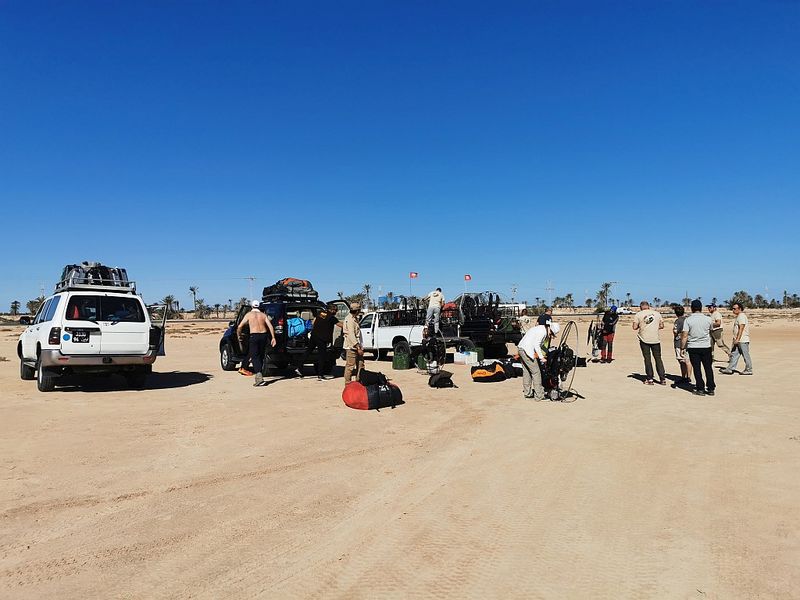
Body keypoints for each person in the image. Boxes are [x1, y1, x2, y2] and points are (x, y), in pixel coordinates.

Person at [237, 300, 277, 386]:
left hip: (254, 336)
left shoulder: (249, 315)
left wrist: (239, 335)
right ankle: (260, 373)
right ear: (259, 307)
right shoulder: (263, 315)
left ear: (252, 306)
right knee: (261, 355)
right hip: (264, 336)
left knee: (254, 356)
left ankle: (259, 376)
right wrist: (273, 337)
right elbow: (270, 326)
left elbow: (240, 326)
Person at [517, 322, 560, 400]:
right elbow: (537, 345)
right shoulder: (543, 332)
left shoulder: (540, 328)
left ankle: (528, 393)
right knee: (536, 372)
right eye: (551, 333)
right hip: (527, 351)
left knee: (527, 371)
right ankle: (539, 396)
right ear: (550, 329)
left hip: (521, 349)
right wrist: (541, 358)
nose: (550, 335)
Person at [680, 299, 715, 395]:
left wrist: (682, 348)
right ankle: (711, 388)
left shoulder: (688, 320)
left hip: (693, 347)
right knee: (708, 368)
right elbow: (711, 331)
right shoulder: (708, 319)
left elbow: (685, 335)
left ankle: (700, 388)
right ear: (701, 308)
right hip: (706, 346)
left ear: (692, 308)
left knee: (697, 368)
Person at [304, 304, 344, 380]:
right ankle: (320, 375)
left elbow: (314, 322)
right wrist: (349, 325)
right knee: (322, 357)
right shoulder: (332, 318)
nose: (336, 312)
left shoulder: (321, 313)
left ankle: (299, 367)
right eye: (335, 310)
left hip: (314, 336)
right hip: (322, 339)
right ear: (332, 310)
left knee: (308, 352)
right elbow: (340, 325)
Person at [632, 300, 666, 385]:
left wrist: (642, 325)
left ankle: (650, 378)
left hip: (644, 339)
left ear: (641, 307)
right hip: (655, 339)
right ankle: (662, 378)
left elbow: (634, 327)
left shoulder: (638, 315)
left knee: (647, 359)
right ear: (648, 306)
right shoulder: (657, 314)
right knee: (658, 359)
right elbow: (662, 326)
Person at [721, 302, 753, 375]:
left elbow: (741, 328)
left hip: (742, 340)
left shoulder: (741, 316)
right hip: (738, 340)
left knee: (745, 355)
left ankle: (749, 369)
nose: (733, 310)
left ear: (740, 309)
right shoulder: (739, 316)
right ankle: (730, 369)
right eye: (732, 308)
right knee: (734, 354)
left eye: (735, 308)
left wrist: (737, 339)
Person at [343, 302, 365, 384]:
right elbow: (351, 335)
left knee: (361, 364)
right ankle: (348, 383)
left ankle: (359, 381)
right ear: (357, 310)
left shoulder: (354, 318)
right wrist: (358, 347)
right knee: (350, 366)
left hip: (357, 345)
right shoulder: (350, 320)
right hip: (352, 346)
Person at [671, 305, 692, 386]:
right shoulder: (688, 320)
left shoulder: (678, 321)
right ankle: (688, 376)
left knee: (682, 360)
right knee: (688, 360)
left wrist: (675, 333)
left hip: (679, 342)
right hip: (689, 342)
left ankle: (684, 376)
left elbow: (675, 331)